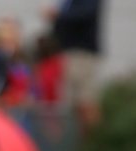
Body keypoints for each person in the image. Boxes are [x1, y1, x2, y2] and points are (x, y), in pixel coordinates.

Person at [44, 0, 103, 129]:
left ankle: (95, 139)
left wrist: (58, 15)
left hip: (82, 54)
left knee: (86, 102)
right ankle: (73, 139)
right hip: (66, 53)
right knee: (68, 104)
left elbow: (84, 14)